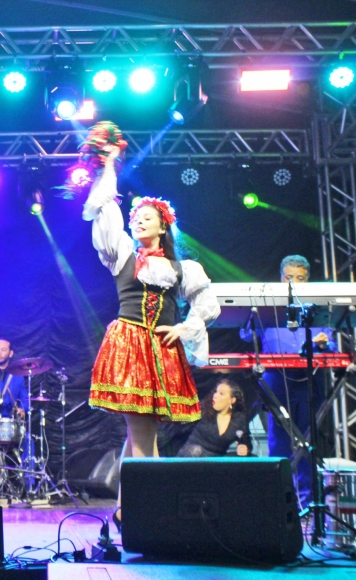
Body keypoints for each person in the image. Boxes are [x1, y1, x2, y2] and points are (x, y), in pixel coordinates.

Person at [82, 145, 220, 528]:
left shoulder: (181, 267)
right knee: (142, 435)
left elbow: (208, 304)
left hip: (161, 352)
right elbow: (103, 206)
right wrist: (109, 164)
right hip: (130, 348)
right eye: (136, 218)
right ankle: (151, 514)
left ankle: (129, 510)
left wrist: (184, 327)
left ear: (163, 226)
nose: (138, 222)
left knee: (141, 435)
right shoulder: (122, 253)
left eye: (147, 218)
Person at [239, 254, 333, 507]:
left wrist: (323, 344)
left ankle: (307, 503)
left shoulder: (316, 309)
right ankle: (279, 504)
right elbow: (245, 332)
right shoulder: (270, 306)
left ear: (307, 280)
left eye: (300, 278)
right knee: (278, 441)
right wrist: (255, 312)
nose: (294, 283)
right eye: (289, 278)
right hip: (277, 379)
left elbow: (331, 344)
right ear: (281, 278)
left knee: (307, 440)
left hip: (309, 380)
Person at [177, 380, 252, 457]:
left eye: (221, 393)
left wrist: (244, 447)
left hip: (217, 459)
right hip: (192, 454)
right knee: (196, 451)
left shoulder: (239, 419)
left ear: (232, 400)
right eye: (216, 392)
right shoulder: (203, 409)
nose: (215, 395)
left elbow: (245, 440)